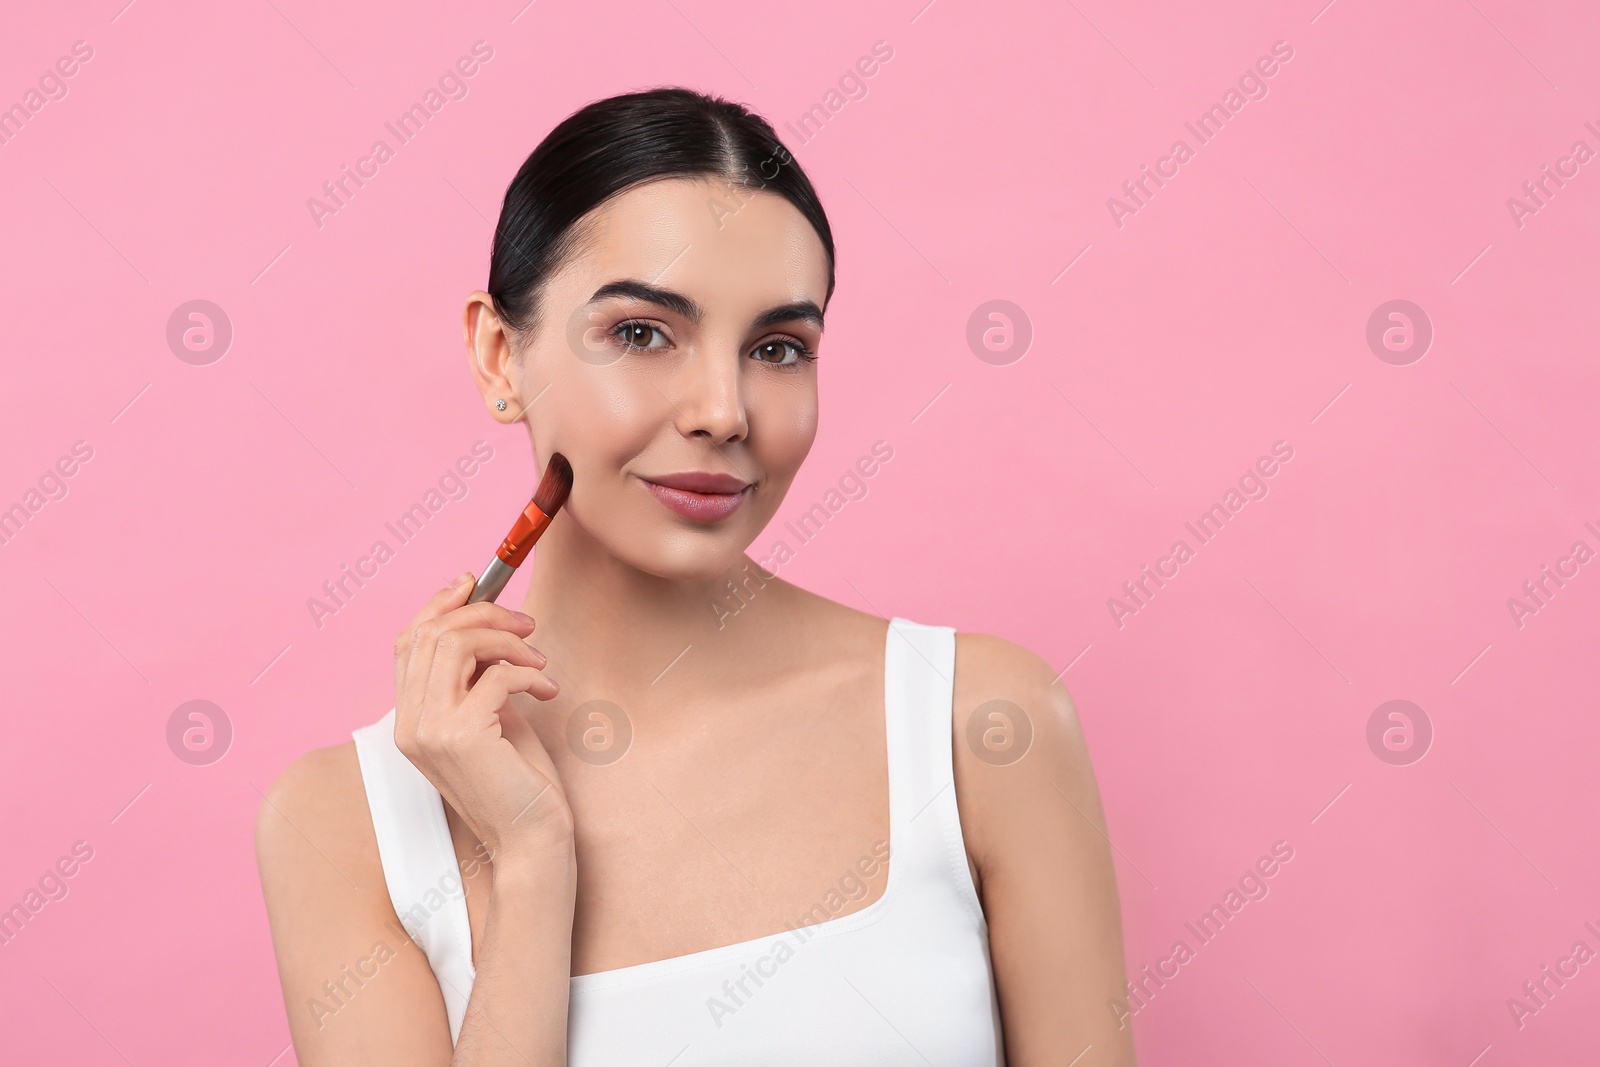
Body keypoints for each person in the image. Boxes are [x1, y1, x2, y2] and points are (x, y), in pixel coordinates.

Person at [255, 86, 1136, 1066]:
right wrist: (535, 861)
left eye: (776, 348)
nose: (723, 410)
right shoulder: (344, 823)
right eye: (641, 332)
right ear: (500, 353)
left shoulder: (979, 723)